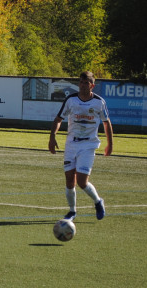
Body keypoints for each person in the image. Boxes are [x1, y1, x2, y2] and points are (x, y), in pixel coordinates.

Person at [48, 71, 113, 220]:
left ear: (92, 85)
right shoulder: (71, 100)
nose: (83, 86)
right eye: (81, 83)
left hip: (88, 145)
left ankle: (98, 201)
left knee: (82, 181)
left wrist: (110, 143)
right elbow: (58, 119)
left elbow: (106, 122)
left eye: (86, 83)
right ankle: (72, 211)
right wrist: (52, 137)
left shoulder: (99, 102)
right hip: (71, 144)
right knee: (70, 180)